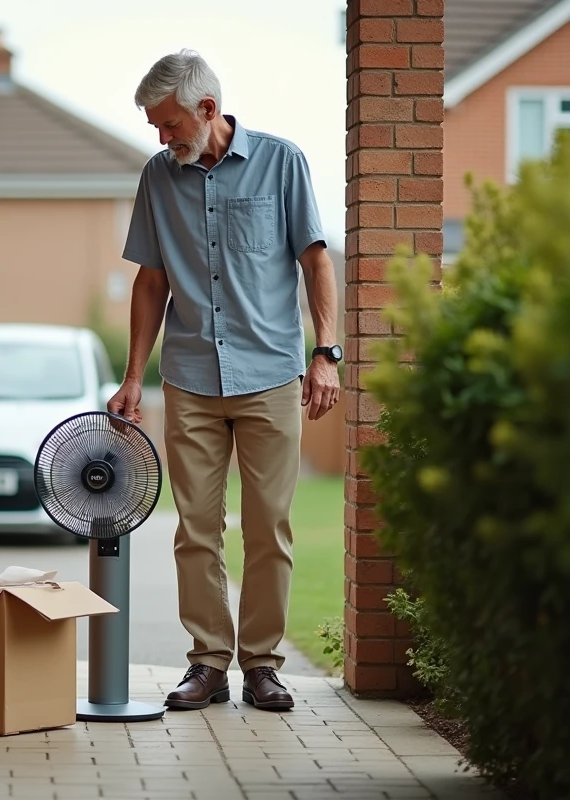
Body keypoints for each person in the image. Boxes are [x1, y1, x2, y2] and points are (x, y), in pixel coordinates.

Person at [107, 49, 341, 712]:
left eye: (170, 123)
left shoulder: (282, 163)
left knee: (269, 526)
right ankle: (207, 662)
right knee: (197, 527)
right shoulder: (159, 177)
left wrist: (326, 353)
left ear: (208, 110)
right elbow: (151, 281)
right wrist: (132, 377)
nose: (162, 138)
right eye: (156, 127)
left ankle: (262, 664)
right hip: (189, 379)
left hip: (269, 375)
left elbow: (315, 263)